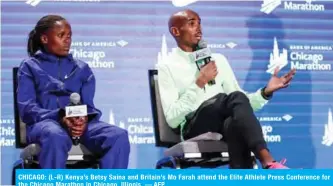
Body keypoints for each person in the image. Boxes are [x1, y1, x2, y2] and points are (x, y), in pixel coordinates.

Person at [157, 9, 296, 169]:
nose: (198, 28)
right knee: (230, 101)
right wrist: (199, 83)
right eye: (192, 24)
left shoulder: (218, 60)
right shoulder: (167, 66)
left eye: (199, 23)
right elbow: (173, 119)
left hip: (223, 124)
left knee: (235, 123)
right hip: (194, 126)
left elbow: (241, 102)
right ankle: (267, 160)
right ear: (175, 31)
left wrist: (265, 92)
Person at [17, 15, 130, 169]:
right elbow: (27, 109)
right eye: (61, 35)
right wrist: (59, 115)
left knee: (118, 136)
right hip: (45, 125)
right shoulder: (29, 66)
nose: (67, 41)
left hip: (79, 127)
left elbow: (89, 107)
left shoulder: (82, 69)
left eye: (69, 36)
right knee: (55, 135)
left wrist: (83, 120)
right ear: (44, 39)